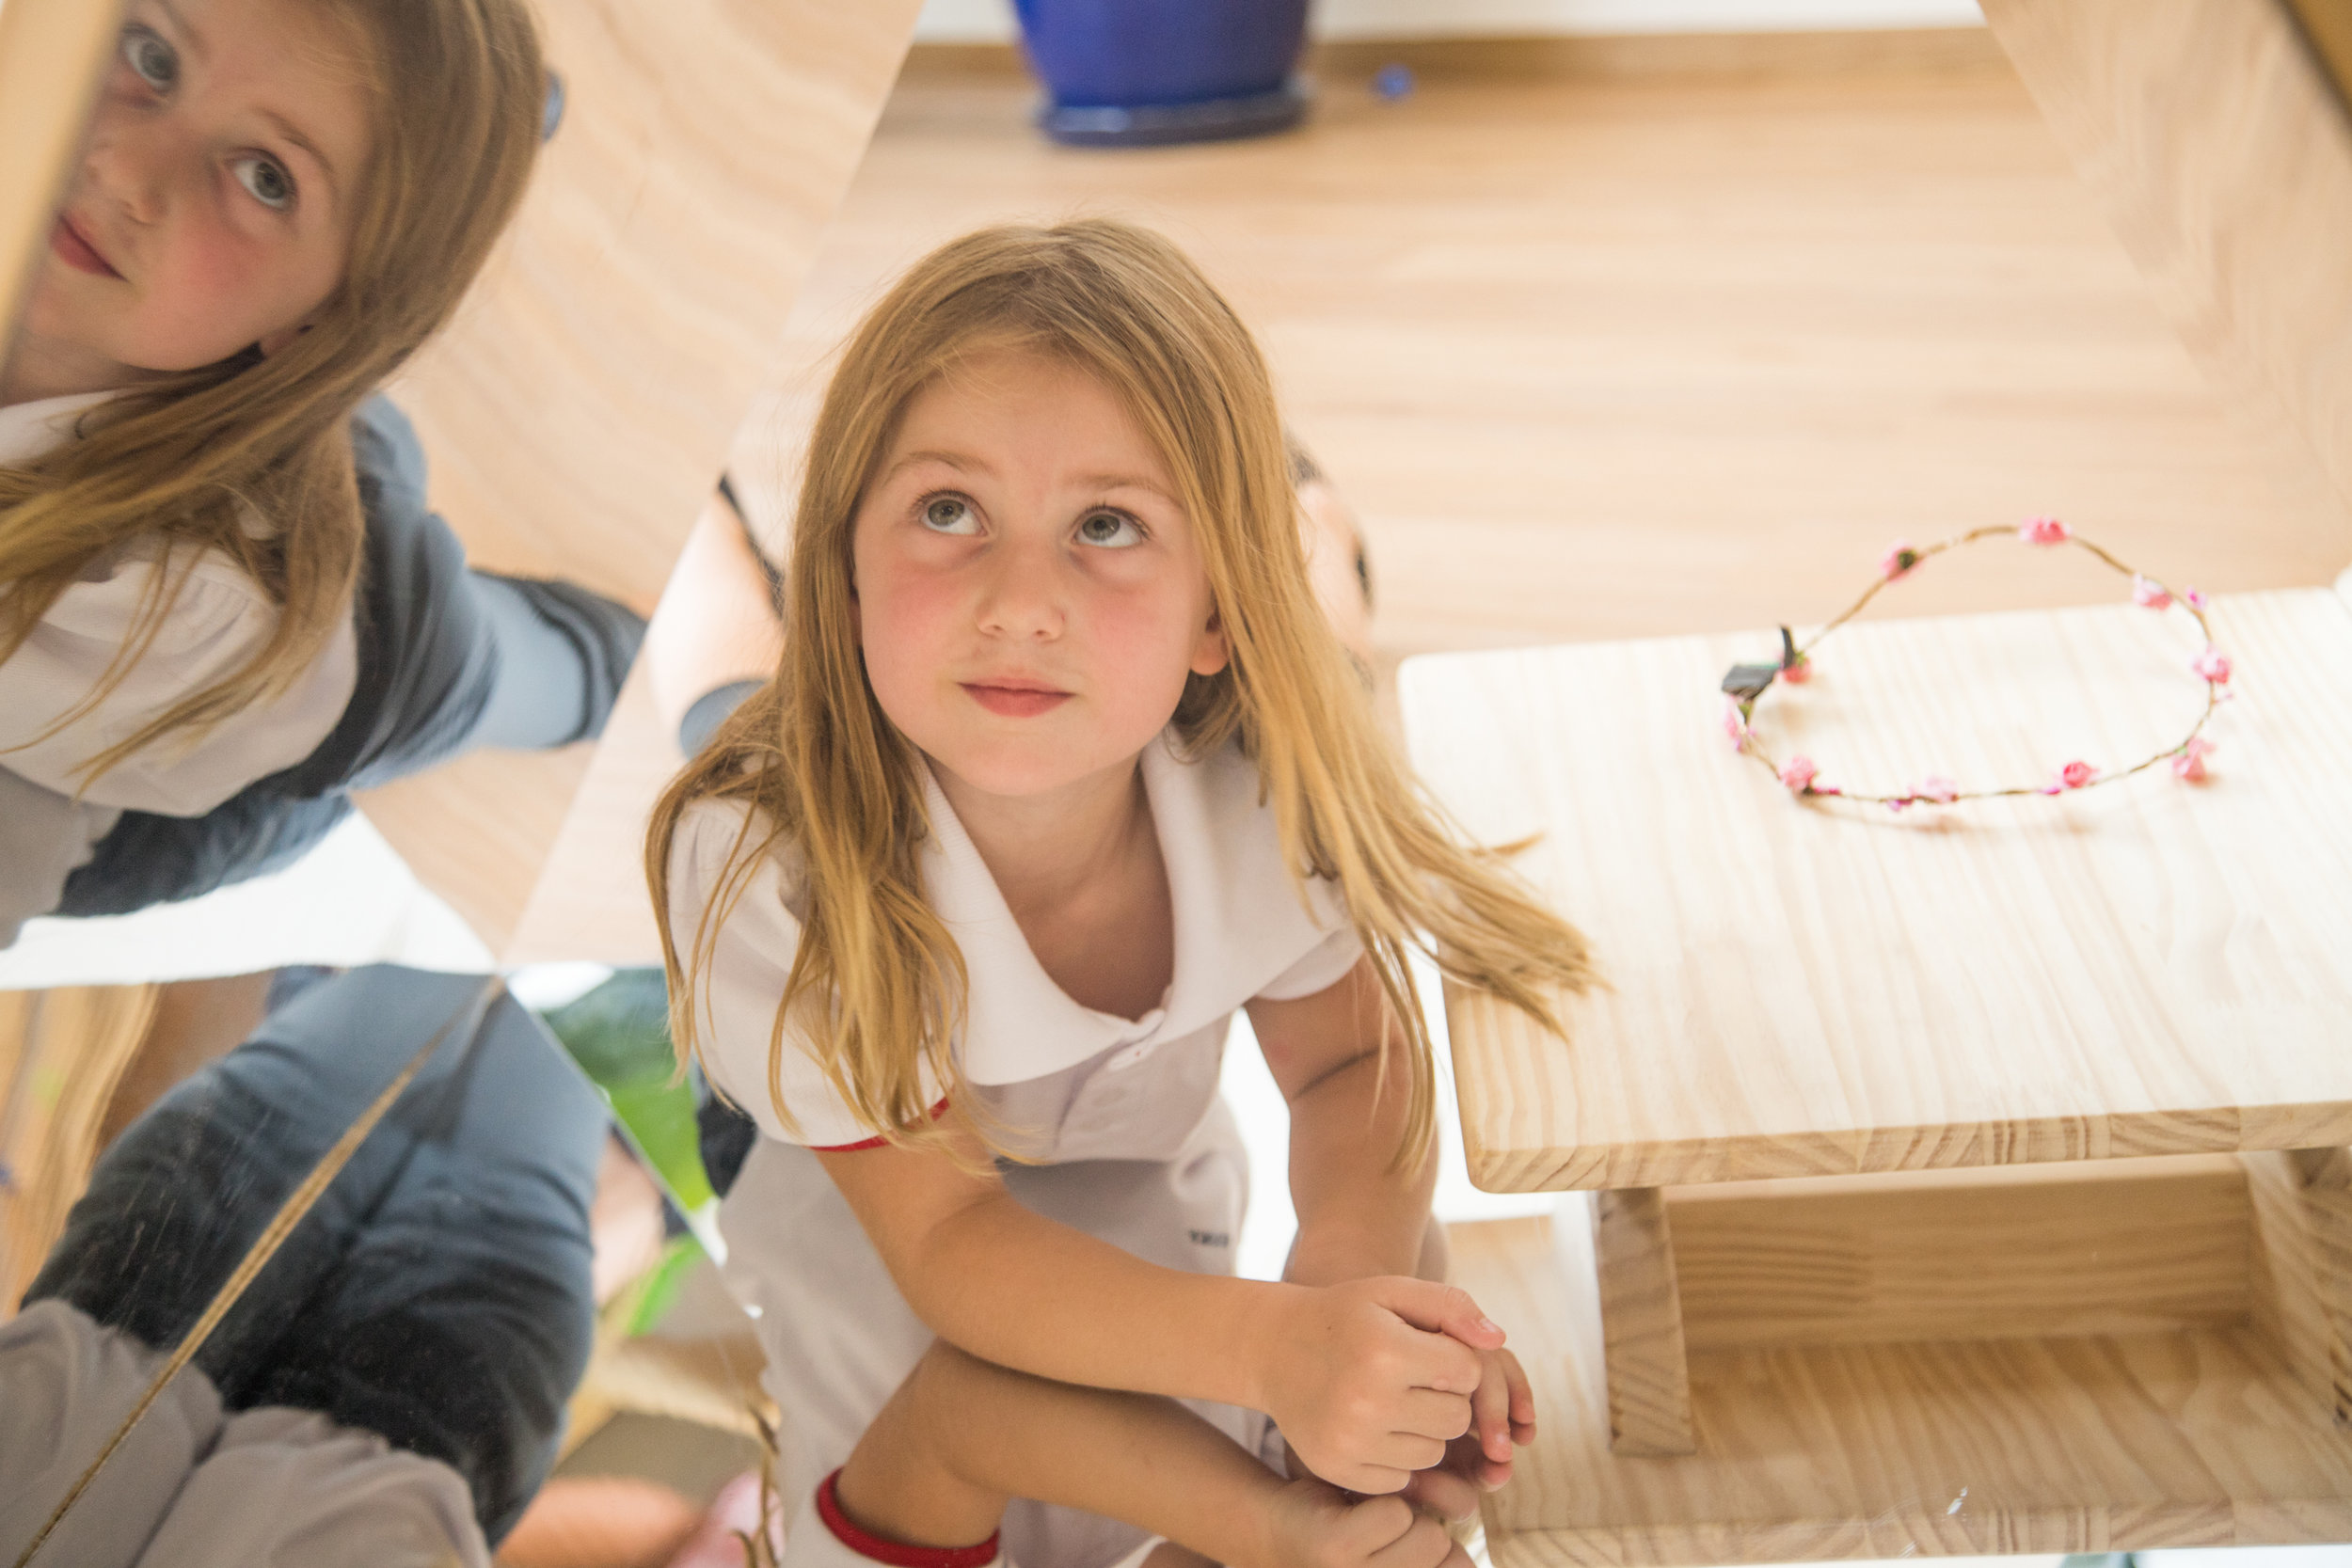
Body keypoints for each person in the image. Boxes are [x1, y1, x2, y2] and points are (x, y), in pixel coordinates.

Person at [649, 219, 1595, 1568]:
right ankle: (1308, 540)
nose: (1021, 599)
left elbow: (958, 1262)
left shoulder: (761, 874)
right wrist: (1366, 1310)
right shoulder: (1259, 772)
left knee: (729, 713)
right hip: (1070, 1159)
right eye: (953, 510)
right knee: (1313, 683)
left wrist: (1305, 1330)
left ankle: (700, 548)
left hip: (827, 1132)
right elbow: (1354, 1076)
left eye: (1102, 523)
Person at [0, 0, 644, 946]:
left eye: (265, 178)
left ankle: (621, 668)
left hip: (343, 619)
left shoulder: (197, 610)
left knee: (521, 668)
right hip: (189, 771)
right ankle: (454, 153)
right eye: (153, 57)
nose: (122, 167)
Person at [0, 967, 610, 1567]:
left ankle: (318, 981)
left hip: (122, 1317)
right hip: (421, 1434)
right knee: (563, 996)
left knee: (447, 953)